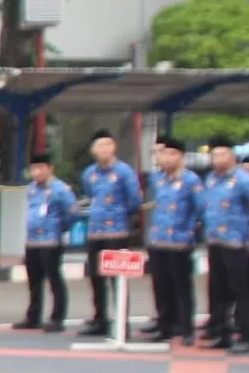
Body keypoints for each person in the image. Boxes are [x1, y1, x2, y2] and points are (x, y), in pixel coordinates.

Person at [195, 142, 249, 351]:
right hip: (215, 239)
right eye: (215, 155)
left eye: (223, 154)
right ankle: (221, 333)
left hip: (236, 241)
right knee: (218, 289)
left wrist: (247, 228)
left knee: (240, 289)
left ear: (232, 157)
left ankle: (246, 336)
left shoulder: (243, 180)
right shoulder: (210, 179)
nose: (218, 159)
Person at [74, 133, 144, 339]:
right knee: (96, 277)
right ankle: (100, 319)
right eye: (98, 146)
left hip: (117, 231)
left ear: (113, 147)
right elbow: (90, 194)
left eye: (106, 145)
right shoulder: (89, 173)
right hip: (95, 231)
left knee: (118, 279)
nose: (102, 150)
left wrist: (120, 216)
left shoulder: (124, 172)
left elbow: (134, 200)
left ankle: (122, 322)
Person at [140, 139, 202, 343]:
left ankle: (186, 329)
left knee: (182, 287)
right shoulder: (159, 179)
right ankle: (164, 325)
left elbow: (201, 209)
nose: (166, 158)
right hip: (158, 240)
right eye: (163, 154)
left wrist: (190, 231)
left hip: (180, 241)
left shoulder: (191, 180)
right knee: (161, 286)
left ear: (180, 156)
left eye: (171, 154)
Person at [15, 153, 78, 330]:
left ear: (50, 168)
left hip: (51, 241)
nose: (36, 172)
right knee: (34, 282)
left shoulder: (61, 189)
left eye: (40, 168)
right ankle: (33, 317)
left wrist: (59, 228)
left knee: (54, 280)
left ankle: (57, 318)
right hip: (33, 241)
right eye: (33, 168)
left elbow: (72, 213)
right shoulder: (32, 189)